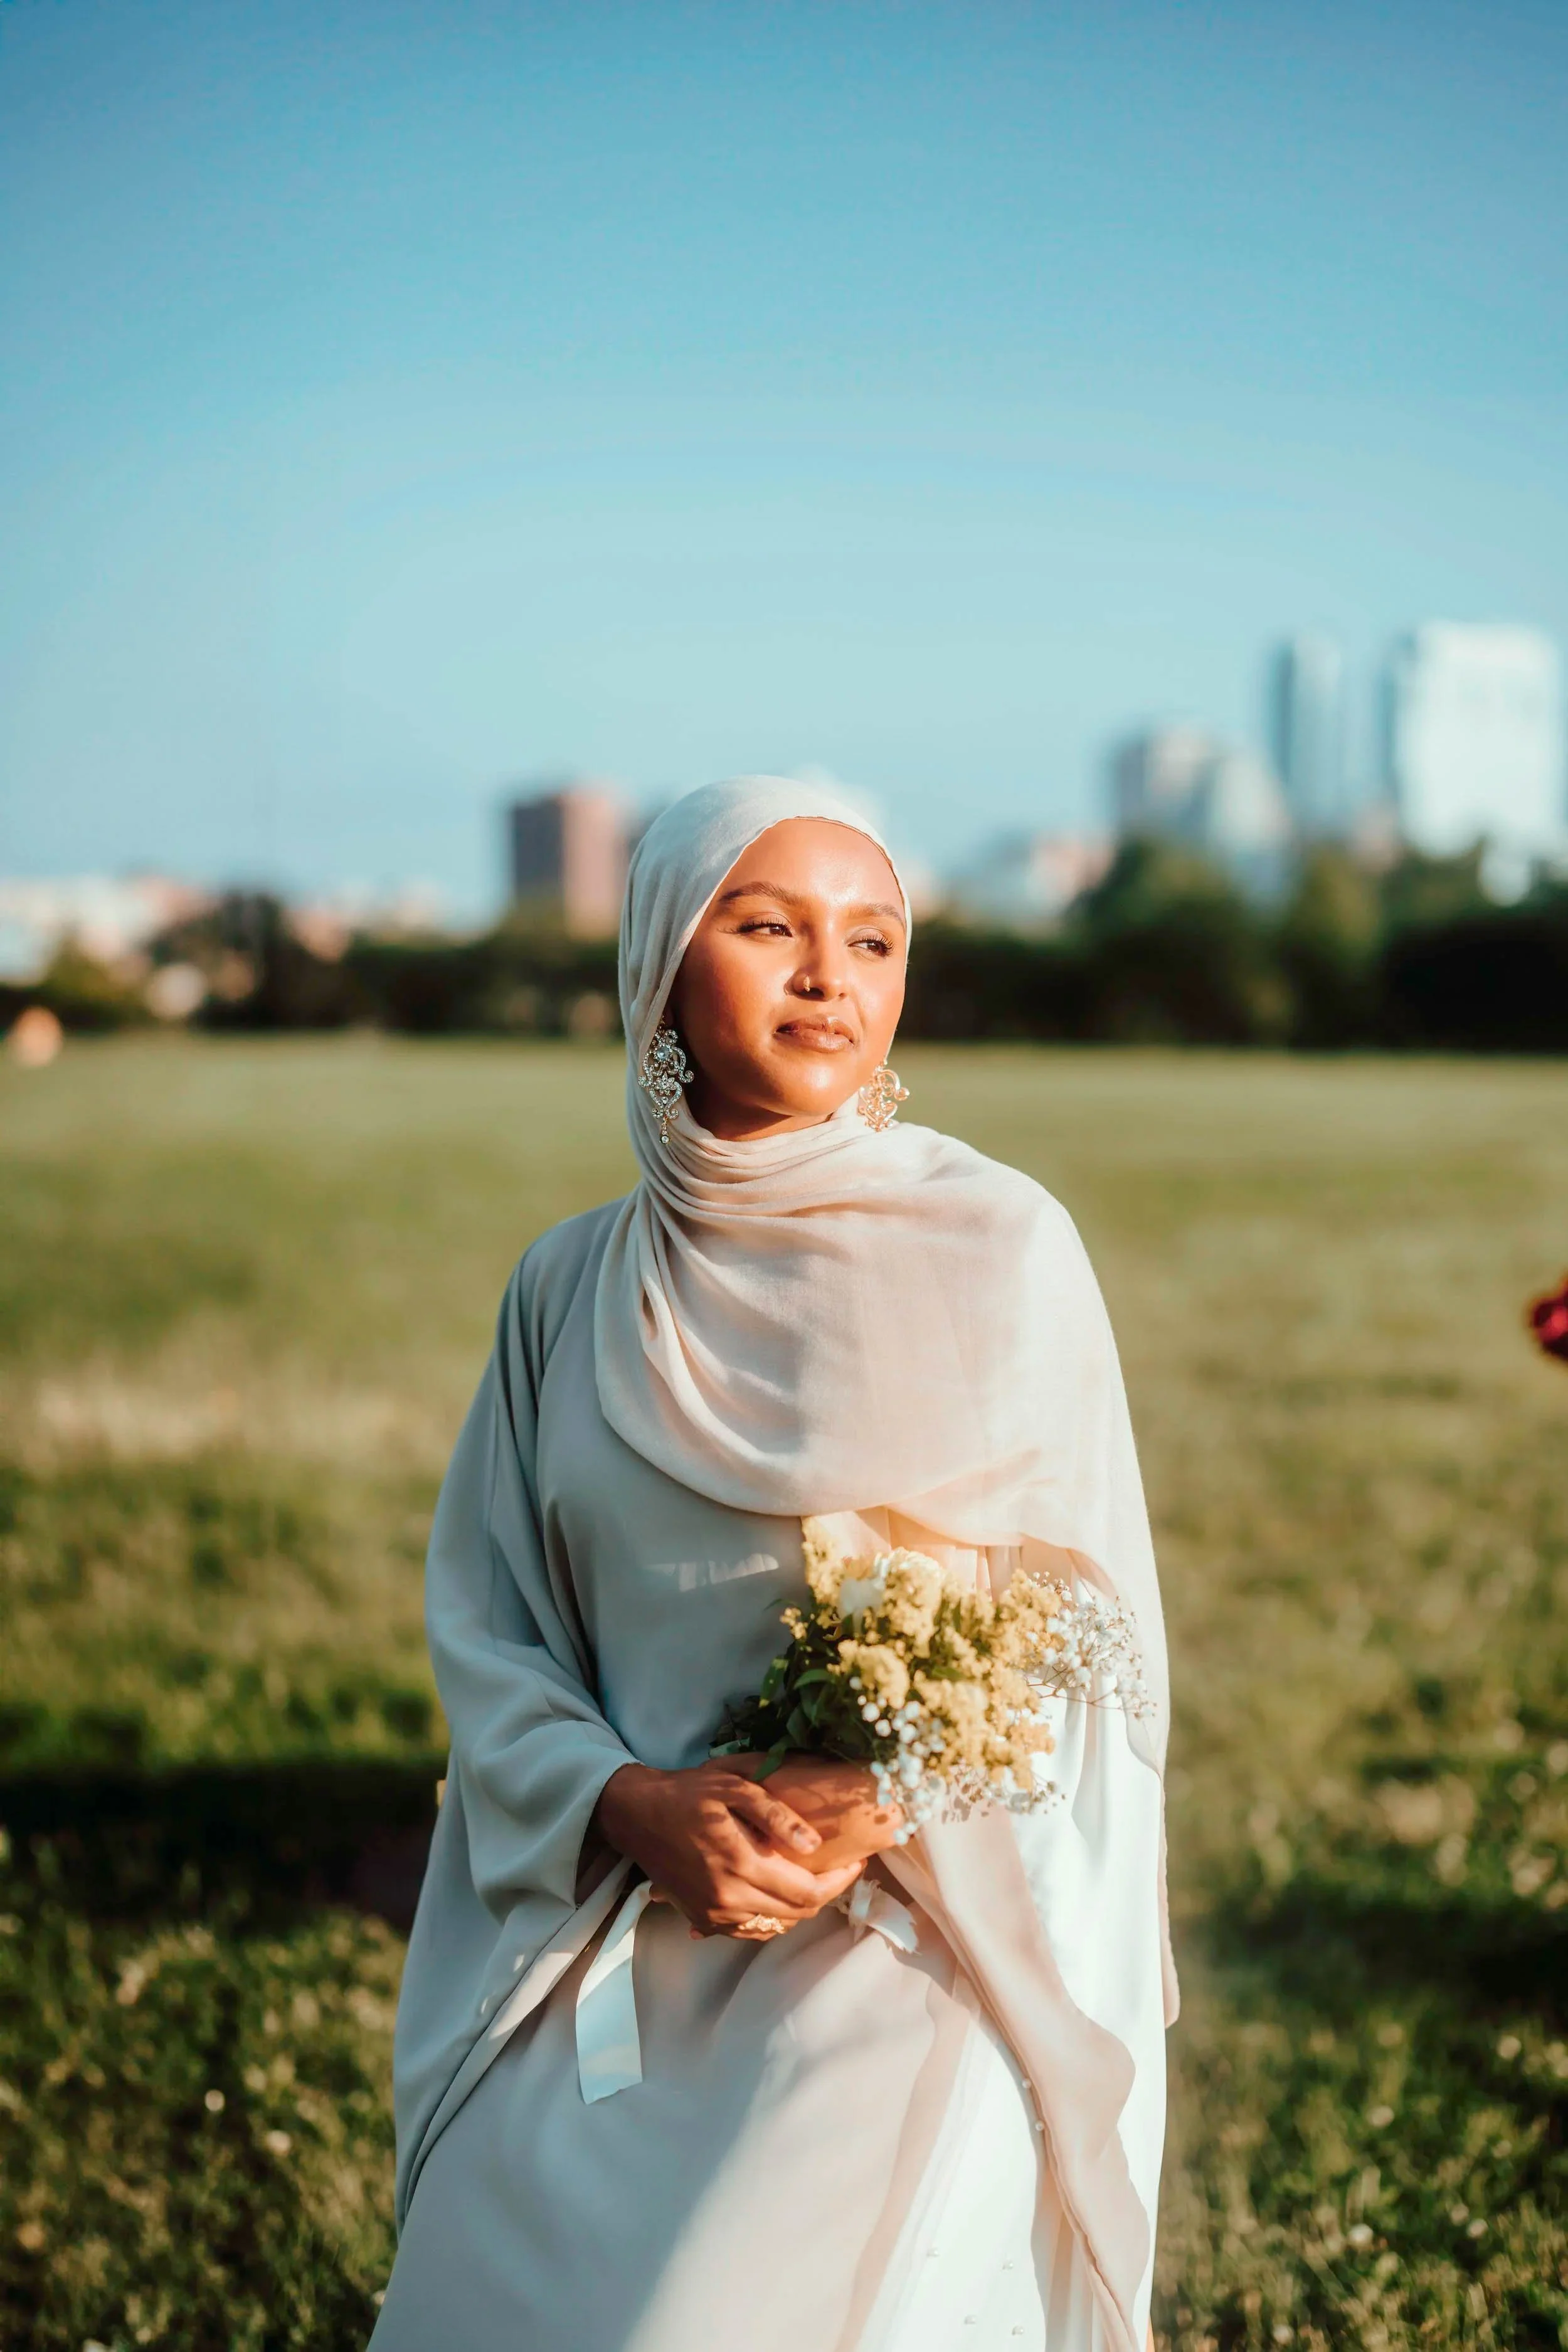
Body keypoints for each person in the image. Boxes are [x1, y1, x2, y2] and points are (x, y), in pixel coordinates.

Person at [369, 775, 1175, 2352]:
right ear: (661, 964)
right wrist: (633, 1808)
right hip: (616, 1919)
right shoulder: (566, 1288)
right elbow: (491, 1627)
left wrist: (863, 1800)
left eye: (872, 940)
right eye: (767, 928)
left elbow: (1088, 1629)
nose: (830, 976)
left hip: (903, 1931)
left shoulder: (1000, 1245)